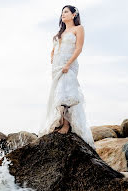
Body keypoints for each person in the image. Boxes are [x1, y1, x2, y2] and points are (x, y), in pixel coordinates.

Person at [38, 5, 95, 148]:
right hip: (57, 66)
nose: (63, 15)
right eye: (62, 13)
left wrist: (68, 64)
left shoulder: (78, 29)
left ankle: (67, 125)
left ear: (74, 14)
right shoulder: (60, 33)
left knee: (67, 93)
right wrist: (52, 56)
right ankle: (60, 121)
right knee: (58, 93)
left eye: (66, 12)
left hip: (68, 65)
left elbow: (79, 48)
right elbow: (54, 48)